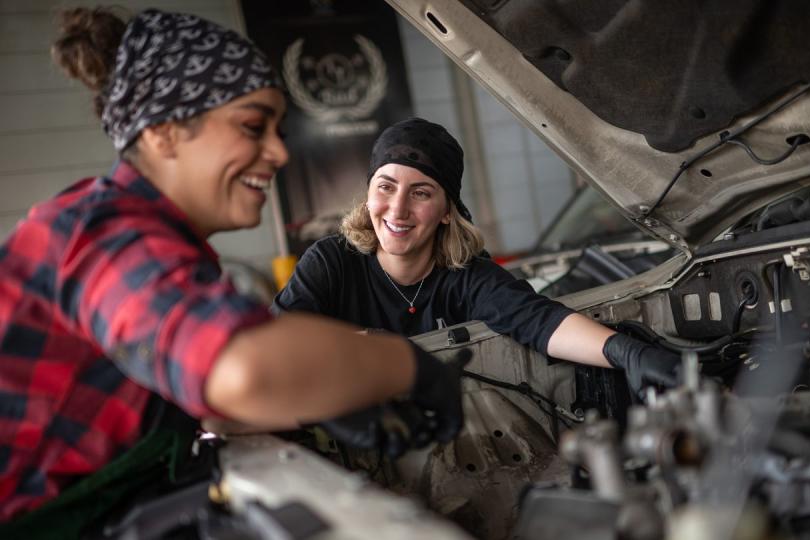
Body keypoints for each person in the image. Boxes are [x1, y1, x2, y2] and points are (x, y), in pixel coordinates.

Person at [0, 8, 462, 531]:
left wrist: (322, 397)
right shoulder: (107, 233)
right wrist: (405, 364)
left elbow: (205, 397)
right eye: (251, 126)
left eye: (278, 129)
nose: (279, 153)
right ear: (165, 132)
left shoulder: (145, 240)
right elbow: (239, 368)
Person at [274, 117, 679, 401]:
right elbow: (274, 343)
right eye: (386, 187)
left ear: (447, 210)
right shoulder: (330, 263)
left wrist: (627, 353)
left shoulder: (466, 276)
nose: (397, 210)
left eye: (421, 192)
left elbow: (539, 320)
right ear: (369, 195)